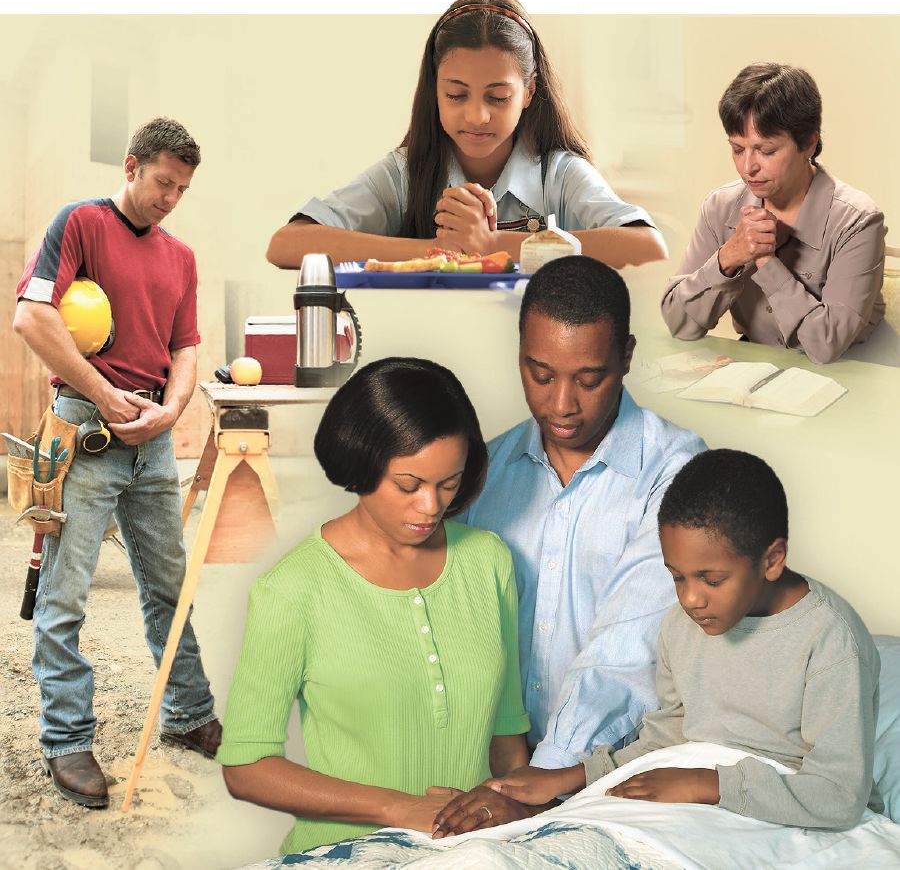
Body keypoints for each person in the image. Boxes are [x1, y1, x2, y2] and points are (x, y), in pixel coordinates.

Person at [463, 449, 883, 833]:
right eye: (676, 576)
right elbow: (667, 735)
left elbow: (840, 796)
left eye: (711, 579)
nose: (690, 598)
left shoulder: (831, 640)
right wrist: (568, 777)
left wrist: (707, 783)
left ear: (771, 560)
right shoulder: (684, 625)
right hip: (689, 789)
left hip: (776, 808)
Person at [217, 357, 533, 855]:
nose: (431, 506)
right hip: (343, 856)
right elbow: (246, 766)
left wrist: (518, 818)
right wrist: (398, 808)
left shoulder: (488, 561)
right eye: (408, 485)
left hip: (475, 856)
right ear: (362, 463)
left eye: (448, 484)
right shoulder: (293, 588)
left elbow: (508, 738)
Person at [437, 255, 705, 829]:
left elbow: (627, 652)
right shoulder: (482, 472)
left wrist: (540, 784)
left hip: (616, 777)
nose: (561, 405)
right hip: (486, 773)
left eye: (589, 379)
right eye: (540, 375)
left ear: (626, 357)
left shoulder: (676, 472)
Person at [13, 117, 221, 808]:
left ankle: (188, 714)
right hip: (86, 433)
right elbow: (30, 318)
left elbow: (186, 347)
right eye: (163, 182)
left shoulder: (182, 258)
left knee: (169, 583)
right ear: (132, 167)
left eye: (182, 189)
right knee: (64, 595)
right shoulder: (79, 224)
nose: (170, 198)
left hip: (154, 440)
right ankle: (68, 742)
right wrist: (107, 397)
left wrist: (171, 410)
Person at [266, 0, 667, 270]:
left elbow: (649, 248)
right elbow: (286, 244)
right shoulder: (406, 173)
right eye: (457, 95)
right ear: (434, 91)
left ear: (528, 93)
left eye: (497, 98)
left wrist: (493, 247)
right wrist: (437, 251)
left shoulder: (558, 174)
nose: (477, 116)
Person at [661, 62, 886, 364]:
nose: (748, 167)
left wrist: (766, 262)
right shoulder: (720, 206)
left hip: (857, 372)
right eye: (738, 149)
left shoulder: (858, 221)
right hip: (761, 373)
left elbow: (825, 346)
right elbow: (679, 323)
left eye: (766, 151)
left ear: (809, 143)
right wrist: (729, 257)